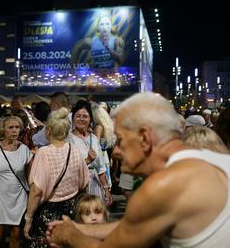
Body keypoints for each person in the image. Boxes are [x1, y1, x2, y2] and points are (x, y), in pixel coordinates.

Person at [47, 92, 230, 248]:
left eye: (120, 140)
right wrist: (79, 228)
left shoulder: (163, 186)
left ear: (144, 137)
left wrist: (69, 235)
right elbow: (133, 225)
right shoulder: (207, 159)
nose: (116, 151)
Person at [23, 107, 90, 247]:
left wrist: (28, 219)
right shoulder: (74, 149)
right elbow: (84, 183)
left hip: (50, 212)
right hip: (71, 210)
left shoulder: (43, 153)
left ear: (48, 131)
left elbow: (36, 190)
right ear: (66, 132)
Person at [0, 116, 32, 248]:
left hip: (19, 198)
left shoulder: (25, 150)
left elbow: (29, 177)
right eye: (11, 127)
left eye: (17, 127)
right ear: (2, 130)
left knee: (16, 235)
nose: (15, 130)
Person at [68, 100, 112, 206]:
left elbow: (101, 167)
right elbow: (68, 167)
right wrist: (87, 161)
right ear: (73, 118)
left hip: (95, 183)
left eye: (85, 116)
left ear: (90, 119)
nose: (81, 119)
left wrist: (106, 188)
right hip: (77, 185)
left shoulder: (94, 139)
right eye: (78, 116)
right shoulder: (68, 140)